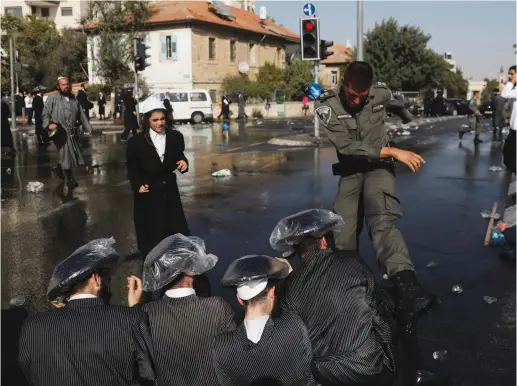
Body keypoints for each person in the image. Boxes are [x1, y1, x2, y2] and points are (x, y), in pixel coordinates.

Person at [315, 61, 435, 326]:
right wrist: (394, 150)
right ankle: (348, 288)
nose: (357, 100)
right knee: (343, 228)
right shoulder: (326, 105)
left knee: (381, 218)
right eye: (352, 95)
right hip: (351, 168)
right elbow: (345, 147)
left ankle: (408, 288)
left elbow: (395, 103)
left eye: (363, 95)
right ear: (343, 83)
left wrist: (406, 116)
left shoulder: (379, 93)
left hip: (379, 168)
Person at [270, 209, 398, 385]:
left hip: (324, 372)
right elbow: (380, 313)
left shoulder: (290, 286)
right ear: (323, 240)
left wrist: (288, 278)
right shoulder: (350, 262)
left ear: (297, 248)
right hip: (367, 366)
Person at [18, 238, 158, 386]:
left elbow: (30, 372)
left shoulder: (33, 326)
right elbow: (148, 372)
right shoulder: (129, 319)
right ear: (96, 279)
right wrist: (135, 309)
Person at [130, 234, 235, 386]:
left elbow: (144, 370)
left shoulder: (146, 314)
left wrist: (134, 309)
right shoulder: (217, 307)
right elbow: (233, 359)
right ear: (191, 271)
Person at [214, 254, 316, 386]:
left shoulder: (222, 346)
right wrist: (291, 276)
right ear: (272, 293)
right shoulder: (292, 325)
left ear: (239, 299)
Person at [126, 99, 190, 258]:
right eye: (155, 120)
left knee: (173, 227)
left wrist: (184, 163)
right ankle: (151, 262)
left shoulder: (175, 137)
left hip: (169, 189)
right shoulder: (136, 142)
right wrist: (137, 185)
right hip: (148, 190)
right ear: (147, 120)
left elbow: (179, 155)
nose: (160, 123)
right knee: (151, 231)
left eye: (162, 119)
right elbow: (132, 167)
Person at [42, 77, 92, 187]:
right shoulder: (53, 98)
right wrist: (49, 125)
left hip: (72, 132)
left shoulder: (74, 98)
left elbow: (80, 114)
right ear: (58, 86)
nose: (66, 86)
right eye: (63, 85)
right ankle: (70, 178)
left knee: (72, 153)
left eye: (67, 84)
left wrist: (87, 126)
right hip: (60, 131)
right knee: (66, 155)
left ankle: (58, 168)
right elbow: (45, 114)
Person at [501, 65, 516, 174]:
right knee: (507, 155)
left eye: (512, 74)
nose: (509, 76)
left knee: (509, 155)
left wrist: (512, 81)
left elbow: (504, 94)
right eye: (509, 74)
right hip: (513, 130)